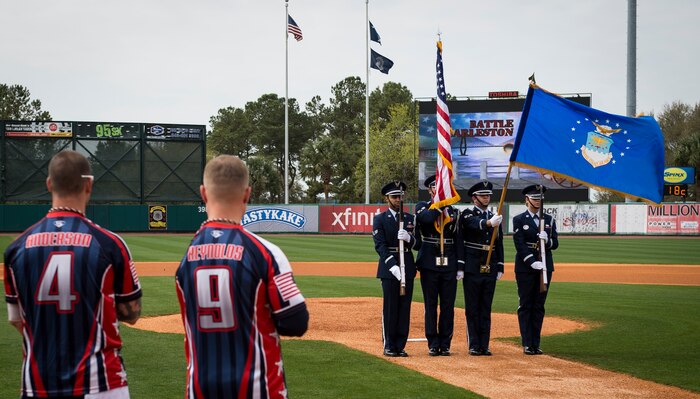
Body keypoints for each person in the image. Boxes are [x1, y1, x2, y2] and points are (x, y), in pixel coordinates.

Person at [3, 150, 142, 399]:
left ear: (48, 184)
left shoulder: (16, 248)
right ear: (89, 184)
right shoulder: (110, 244)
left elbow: (16, 319)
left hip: (38, 384)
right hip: (101, 384)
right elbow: (132, 313)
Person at [175, 155, 308, 398]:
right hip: (259, 388)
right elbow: (296, 323)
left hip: (199, 388)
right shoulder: (265, 253)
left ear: (203, 194)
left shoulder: (187, 259)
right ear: (247, 194)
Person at [414, 175, 463, 356]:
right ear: (429, 190)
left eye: (443, 186)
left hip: (449, 261)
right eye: (436, 187)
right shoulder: (422, 207)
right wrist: (440, 204)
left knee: (448, 305)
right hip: (428, 262)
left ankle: (445, 342)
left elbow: (458, 239)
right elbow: (427, 219)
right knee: (431, 304)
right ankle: (433, 342)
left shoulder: (454, 212)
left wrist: (460, 265)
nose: (439, 189)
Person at [372, 180, 418, 357]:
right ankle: (389, 345)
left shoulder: (409, 219)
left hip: (407, 263)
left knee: (404, 307)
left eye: (400, 196)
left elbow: (418, 244)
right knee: (391, 307)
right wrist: (392, 266)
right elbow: (380, 246)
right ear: (387, 198)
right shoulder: (380, 219)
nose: (398, 199)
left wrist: (409, 238)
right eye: (394, 197)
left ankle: (400, 344)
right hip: (389, 268)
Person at [512, 184, 559, 355]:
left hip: (545, 267)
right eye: (534, 198)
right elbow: (519, 244)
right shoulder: (519, 219)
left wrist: (547, 241)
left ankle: (535, 343)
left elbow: (556, 244)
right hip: (526, 267)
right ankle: (526, 343)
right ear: (527, 200)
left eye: (540, 199)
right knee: (526, 304)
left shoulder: (549, 220)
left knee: (539, 305)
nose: (537, 201)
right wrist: (531, 261)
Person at [459, 181, 504, 356]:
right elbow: (473, 224)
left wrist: (500, 265)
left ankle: (484, 344)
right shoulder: (468, 214)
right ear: (474, 198)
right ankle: (473, 344)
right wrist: (488, 223)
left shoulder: (494, 216)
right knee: (472, 307)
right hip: (472, 266)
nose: (486, 198)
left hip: (490, 265)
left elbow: (498, 242)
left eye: (488, 196)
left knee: (486, 307)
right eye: (482, 196)